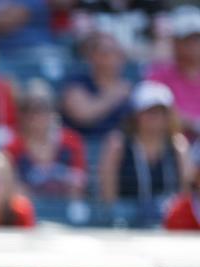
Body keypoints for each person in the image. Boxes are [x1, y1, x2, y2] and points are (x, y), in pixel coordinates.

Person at [98, 81, 193, 228]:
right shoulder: (118, 144)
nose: (156, 117)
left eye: (162, 112)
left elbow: (185, 193)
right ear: (136, 115)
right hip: (125, 221)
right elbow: (109, 197)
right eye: (150, 112)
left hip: (167, 220)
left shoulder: (178, 146)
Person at [5, 78, 87, 201]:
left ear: (52, 110)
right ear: (21, 114)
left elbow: (79, 184)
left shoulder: (71, 141)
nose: (35, 115)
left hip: (65, 208)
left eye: (41, 107)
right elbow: (14, 190)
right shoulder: (12, 148)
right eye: (28, 108)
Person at [61, 31, 132, 141]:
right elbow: (82, 115)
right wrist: (114, 95)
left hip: (119, 150)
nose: (112, 58)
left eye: (116, 53)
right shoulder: (77, 81)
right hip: (82, 146)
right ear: (92, 57)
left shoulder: (130, 86)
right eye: (105, 53)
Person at [146, 6, 200, 137]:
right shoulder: (158, 75)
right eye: (188, 39)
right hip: (170, 148)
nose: (194, 45)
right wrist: (193, 124)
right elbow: (154, 116)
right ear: (175, 42)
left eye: (197, 38)